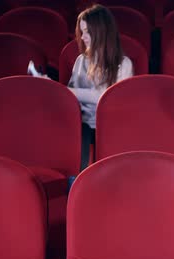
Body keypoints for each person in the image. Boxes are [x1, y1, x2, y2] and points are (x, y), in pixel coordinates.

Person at [69, 4, 133, 169]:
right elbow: (69, 98)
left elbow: (105, 97)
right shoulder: (80, 61)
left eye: (87, 32)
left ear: (101, 32)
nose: (83, 37)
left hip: (110, 124)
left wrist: (68, 92)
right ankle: (75, 182)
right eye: (82, 32)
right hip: (82, 124)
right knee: (76, 133)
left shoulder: (123, 64)